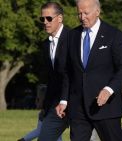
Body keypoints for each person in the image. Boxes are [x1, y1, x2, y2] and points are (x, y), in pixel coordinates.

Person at [55, 0, 122, 141]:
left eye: (86, 13)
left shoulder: (114, 35)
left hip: (106, 107)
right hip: (78, 109)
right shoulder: (72, 36)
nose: (82, 17)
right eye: (79, 13)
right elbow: (67, 71)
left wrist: (109, 89)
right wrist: (64, 100)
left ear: (97, 12)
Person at [38, 2, 69, 141]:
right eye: (42, 19)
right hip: (56, 105)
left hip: (79, 102)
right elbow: (51, 79)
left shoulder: (74, 37)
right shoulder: (46, 44)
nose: (45, 22)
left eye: (49, 18)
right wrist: (46, 105)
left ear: (60, 18)